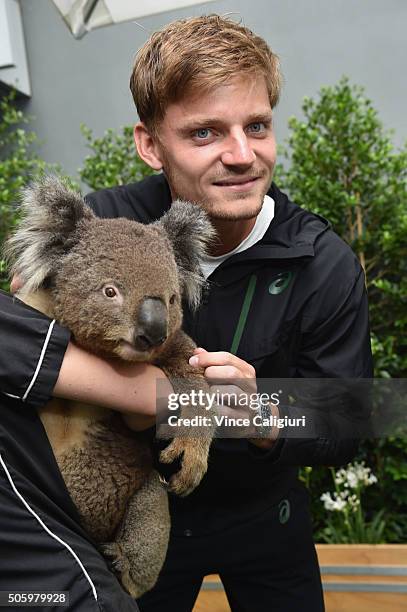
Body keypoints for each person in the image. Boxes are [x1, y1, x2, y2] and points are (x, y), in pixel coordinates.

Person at [0, 14, 372, 612]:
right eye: (205, 133)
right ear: (150, 144)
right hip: (130, 518)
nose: (242, 155)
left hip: (264, 521)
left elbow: (350, 421)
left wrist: (268, 415)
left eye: (257, 125)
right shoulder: (102, 228)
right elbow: (22, 348)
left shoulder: (323, 262)